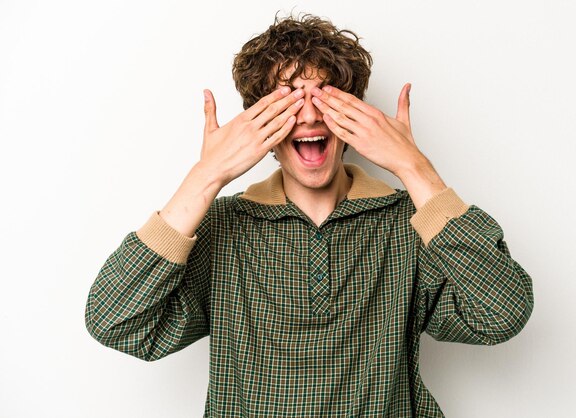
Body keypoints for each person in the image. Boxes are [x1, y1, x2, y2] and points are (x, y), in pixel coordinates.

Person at [85, 14, 534, 417]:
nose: (308, 115)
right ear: (259, 125)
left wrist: (414, 168)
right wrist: (207, 175)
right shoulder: (221, 227)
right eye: (286, 101)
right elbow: (115, 323)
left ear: (354, 115)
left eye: (326, 97)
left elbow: (501, 315)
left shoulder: (409, 224)